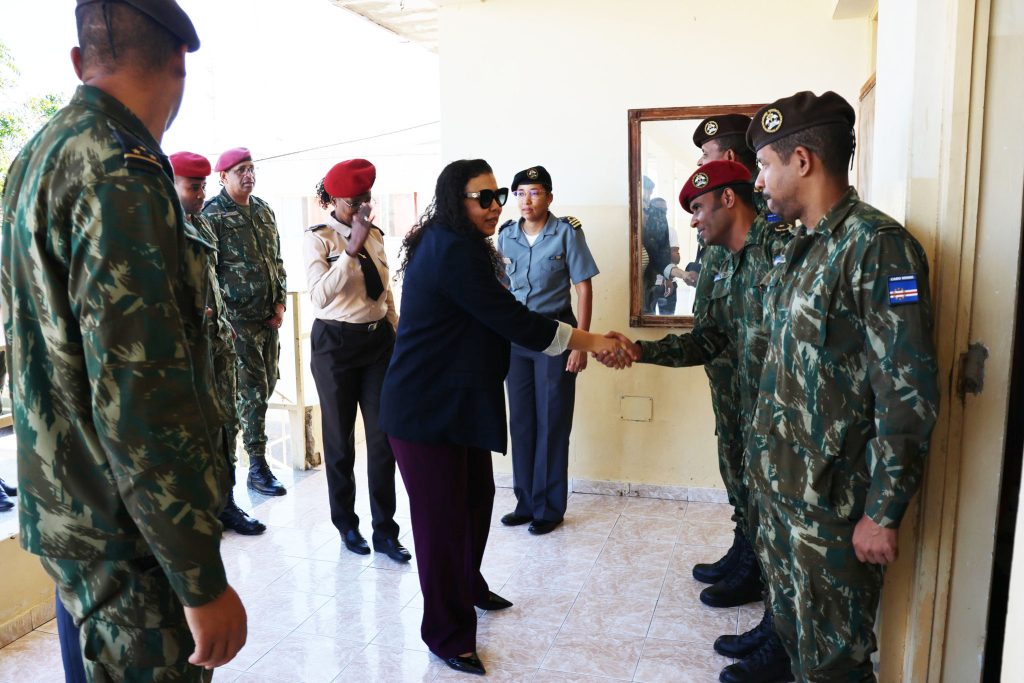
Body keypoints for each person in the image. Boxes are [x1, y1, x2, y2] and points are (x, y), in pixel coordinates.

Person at [0, 1, 247, 679]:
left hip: (74, 511)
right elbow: (141, 392)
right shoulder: (122, 171)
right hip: (132, 542)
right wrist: (199, 577)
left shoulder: (38, 157)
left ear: (79, 63)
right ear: (178, 62)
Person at [379, 159, 623, 676]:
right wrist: (595, 340)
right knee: (441, 522)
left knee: (475, 500)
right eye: (482, 197)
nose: (496, 206)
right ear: (454, 200)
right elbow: (515, 320)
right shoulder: (450, 250)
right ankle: (445, 633)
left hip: (458, 401)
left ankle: (468, 586)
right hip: (425, 410)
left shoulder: (464, 245)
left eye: (498, 196)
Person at [745, 90, 939, 681]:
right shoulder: (801, 247)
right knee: (797, 643)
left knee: (835, 664)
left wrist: (883, 512)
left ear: (802, 161)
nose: (759, 182)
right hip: (784, 492)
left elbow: (907, 390)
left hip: (834, 508)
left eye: (763, 165)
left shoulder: (878, 248)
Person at [597, 159, 793, 683]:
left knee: (784, 535)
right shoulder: (723, 260)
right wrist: (637, 350)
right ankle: (775, 622)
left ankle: (784, 636)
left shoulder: (782, 254)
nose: (694, 221)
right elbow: (710, 340)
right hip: (746, 410)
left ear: (729, 200)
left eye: (700, 208)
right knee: (758, 517)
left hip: (787, 425)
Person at [305, 159, 410, 562]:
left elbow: (384, 292)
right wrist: (350, 249)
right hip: (334, 344)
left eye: (366, 199)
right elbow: (319, 297)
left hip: (377, 343)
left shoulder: (377, 234)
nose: (362, 208)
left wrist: (398, 335)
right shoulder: (318, 240)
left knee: (384, 440)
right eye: (353, 202)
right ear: (333, 200)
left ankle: (386, 531)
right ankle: (347, 524)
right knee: (339, 440)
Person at [496, 165, 599, 535]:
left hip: (556, 336)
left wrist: (582, 343)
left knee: (552, 422)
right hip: (516, 339)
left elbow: (583, 289)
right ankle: (525, 502)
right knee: (522, 422)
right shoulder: (505, 235)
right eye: (520, 193)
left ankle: (549, 508)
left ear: (549, 197)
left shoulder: (566, 233)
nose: (526, 200)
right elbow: (501, 289)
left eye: (535, 192)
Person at [171, 151, 266, 536]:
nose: (200, 193)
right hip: (187, 355)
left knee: (225, 425)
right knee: (194, 432)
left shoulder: (200, 226)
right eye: (193, 186)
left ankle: (224, 503)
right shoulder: (161, 233)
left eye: (203, 186)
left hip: (219, 347)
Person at [203, 147, 288, 497]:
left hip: (268, 320)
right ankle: (254, 466)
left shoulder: (264, 210)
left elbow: (276, 259)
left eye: (251, 169)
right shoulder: (214, 214)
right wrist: (223, 320)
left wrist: (280, 300)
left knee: (265, 388)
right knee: (249, 394)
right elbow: (208, 271)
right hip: (236, 322)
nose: (248, 175)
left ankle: (244, 465)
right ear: (223, 177)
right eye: (240, 170)